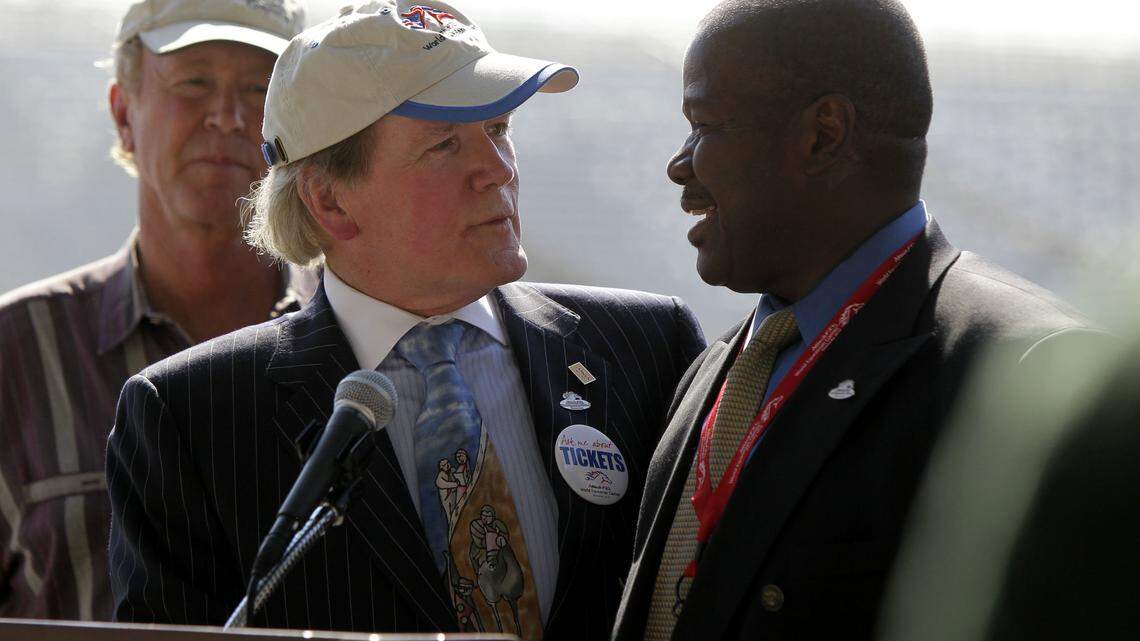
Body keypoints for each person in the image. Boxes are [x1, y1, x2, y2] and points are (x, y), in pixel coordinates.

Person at [106, 2, 706, 639]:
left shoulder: (647, 348)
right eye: (444, 145)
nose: (498, 170)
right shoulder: (190, 414)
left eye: (499, 128)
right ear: (329, 199)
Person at [610, 1, 1105, 640]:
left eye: (704, 125)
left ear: (823, 135)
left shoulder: (1029, 378)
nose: (679, 166)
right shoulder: (715, 369)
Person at [0, 0, 310, 620]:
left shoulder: (365, 340)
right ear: (123, 113)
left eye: (260, 88)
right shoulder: (17, 354)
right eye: (193, 82)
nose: (228, 115)